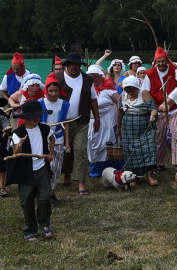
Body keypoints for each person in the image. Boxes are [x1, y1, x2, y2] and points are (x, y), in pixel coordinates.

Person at [7, 100, 55, 241]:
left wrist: (50, 154)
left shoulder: (44, 128)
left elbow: (52, 138)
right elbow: (15, 153)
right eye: (33, 116)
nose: (37, 118)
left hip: (41, 169)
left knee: (45, 197)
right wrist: (19, 145)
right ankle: (30, 229)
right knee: (27, 201)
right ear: (26, 117)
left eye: (38, 115)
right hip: (26, 172)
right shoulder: (18, 133)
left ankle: (45, 224)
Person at [58, 52, 100, 196]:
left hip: (82, 120)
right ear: (67, 65)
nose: (74, 67)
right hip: (62, 123)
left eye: (77, 64)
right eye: (72, 64)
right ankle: (67, 176)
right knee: (65, 151)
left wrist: (97, 118)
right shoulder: (58, 78)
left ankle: (81, 183)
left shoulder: (88, 79)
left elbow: (93, 99)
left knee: (80, 150)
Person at [118, 75, 159, 186]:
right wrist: (118, 128)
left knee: (148, 149)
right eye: (127, 89)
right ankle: (134, 177)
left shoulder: (144, 93)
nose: (130, 91)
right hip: (128, 129)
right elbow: (120, 112)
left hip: (145, 127)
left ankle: (149, 176)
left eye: (132, 89)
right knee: (131, 151)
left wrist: (152, 115)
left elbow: (153, 109)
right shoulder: (123, 95)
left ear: (137, 87)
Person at [141, 47, 177, 168]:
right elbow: (145, 92)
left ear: (167, 60)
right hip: (157, 109)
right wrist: (154, 108)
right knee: (158, 138)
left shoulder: (176, 71)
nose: (161, 64)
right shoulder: (149, 74)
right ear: (155, 62)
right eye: (158, 62)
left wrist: (169, 103)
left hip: (175, 109)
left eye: (163, 61)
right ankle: (160, 163)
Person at [86, 65, 122, 177]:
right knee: (92, 144)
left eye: (96, 77)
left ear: (101, 76)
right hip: (91, 121)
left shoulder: (108, 88)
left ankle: (110, 169)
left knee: (108, 144)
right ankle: (95, 170)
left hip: (107, 121)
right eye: (91, 77)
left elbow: (119, 102)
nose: (94, 79)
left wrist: (118, 118)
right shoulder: (86, 88)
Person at [40, 74, 69, 204]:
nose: (53, 93)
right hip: (43, 140)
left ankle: (51, 192)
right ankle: (42, 192)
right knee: (44, 167)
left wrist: (67, 142)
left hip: (58, 139)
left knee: (56, 167)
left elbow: (66, 123)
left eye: (56, 91)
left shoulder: (64, 104)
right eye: (51, 91)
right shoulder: (40, 103)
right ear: (46, 90)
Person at [0, 98, 10, 197]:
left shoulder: (1, 115)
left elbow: (4, 121)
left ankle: (2, 187)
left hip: (1, 144)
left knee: (1, 165)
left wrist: (6, 127)